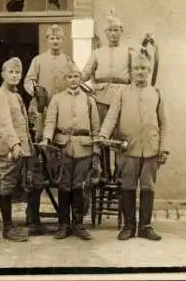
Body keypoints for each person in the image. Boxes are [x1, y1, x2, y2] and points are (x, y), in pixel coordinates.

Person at [99, 54, 170, 241]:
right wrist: (103, 135)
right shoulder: (121, 93)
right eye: (137, 68)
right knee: (128, 186)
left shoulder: (156, 93)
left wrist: (164, 148)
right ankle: (129, 226)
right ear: (131, 71)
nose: (140, 72)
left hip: (151, 149)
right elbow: (112, 116)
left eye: (144, 69)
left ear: (148, 71)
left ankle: (145, 227)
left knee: (148, 187)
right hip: (127, 148)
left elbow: (164, 124)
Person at [42, 63, 101, 240]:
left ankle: (78, 224)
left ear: (81, 78)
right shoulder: (57, 99)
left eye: (76, 76)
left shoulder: (89, 101)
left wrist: (96, 149)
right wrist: (46, 138)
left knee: (79, 187)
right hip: (62, 148)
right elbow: (50, 122)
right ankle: (63, 224)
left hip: (84, 148)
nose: (74, 80)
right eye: (70, 77)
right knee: (64, 186)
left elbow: (96, 128)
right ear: (65, 80)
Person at [0, 57, 44, 242]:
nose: (14, 76)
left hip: (25, 148)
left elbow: (21, 124)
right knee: (8, 185)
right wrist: (15, 145)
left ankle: (33, 221)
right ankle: (8, 228)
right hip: (8, 149)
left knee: (34, 183)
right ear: (3, 74)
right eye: (10, 72)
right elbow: (3, 124)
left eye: (17, 73)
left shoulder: (17, 95)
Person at [81, 14, 139, 177]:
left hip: (122, 101)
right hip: (101, 100)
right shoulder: (97, 53)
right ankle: (104, 172)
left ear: (121, 31)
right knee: (102, 137)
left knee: (120, 138)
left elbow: (136, 78)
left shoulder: (130, 53)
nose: (113, 33)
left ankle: (119, 174)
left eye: (116, 30)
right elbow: (85, 73)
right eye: (110, 30)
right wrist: (74, 77)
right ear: (106, 33)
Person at [24, 24, 75, 142]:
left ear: (63, 40)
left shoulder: (68, 61)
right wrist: (36, 91)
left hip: (63, 106)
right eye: (52, 38)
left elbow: (76, 80)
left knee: (62, 136)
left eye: (58, 38)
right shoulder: (38, 60)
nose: (55, 41)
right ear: (47, 40)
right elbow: (28, 81)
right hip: (43, 107)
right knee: (41, 137)